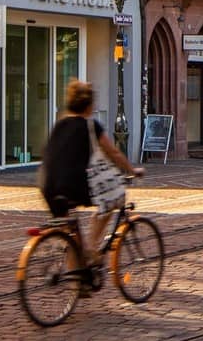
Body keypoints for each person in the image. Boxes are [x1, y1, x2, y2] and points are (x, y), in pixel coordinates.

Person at [39, 80, 142, 268]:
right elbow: (114, 152)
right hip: (71, 185)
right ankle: (92, 248)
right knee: (112, 201)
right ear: (89, 105)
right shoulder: (90, 125)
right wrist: (132, 170)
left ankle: (77, 280)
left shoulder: (59, 124)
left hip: (47, 185)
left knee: (68, 230)